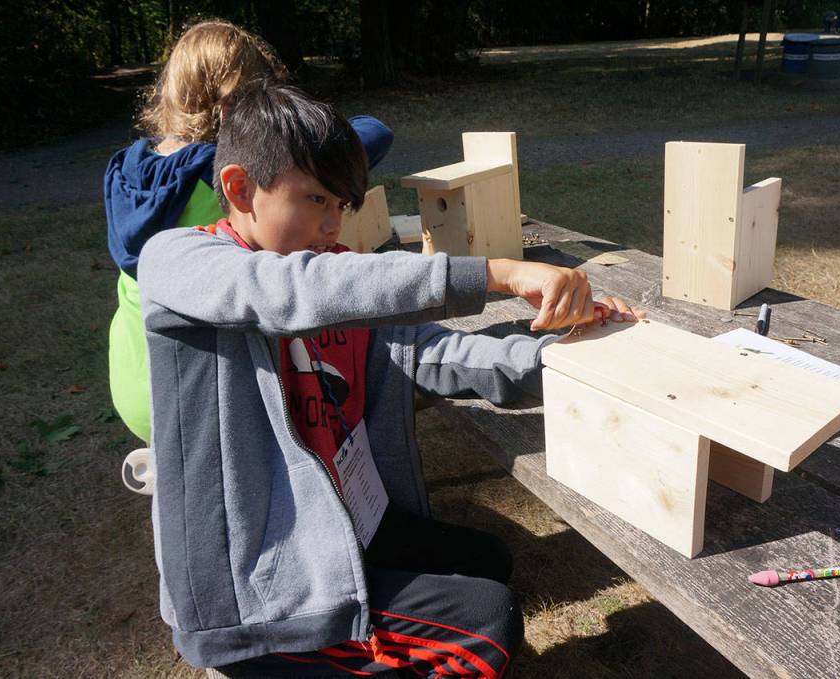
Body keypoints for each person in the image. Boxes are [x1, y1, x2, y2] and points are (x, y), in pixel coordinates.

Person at [137, 80, 644, 676]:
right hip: (257, 587)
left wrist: (565, 355)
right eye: (315, 200)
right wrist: (498, 273)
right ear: (239, 188)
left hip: (345, 522)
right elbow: (283, 293)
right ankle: (269, 659)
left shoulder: (340, 278)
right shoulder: (175, 262)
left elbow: (441, 354)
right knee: (488, 622)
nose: (332, 226)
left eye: (340, 206)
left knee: (489, 561)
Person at [103, 20, 394, 443]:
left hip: (137, 384)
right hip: (202, 394)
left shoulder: (126, 172)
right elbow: (373, 133)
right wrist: (298, 136)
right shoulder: (227, 177)